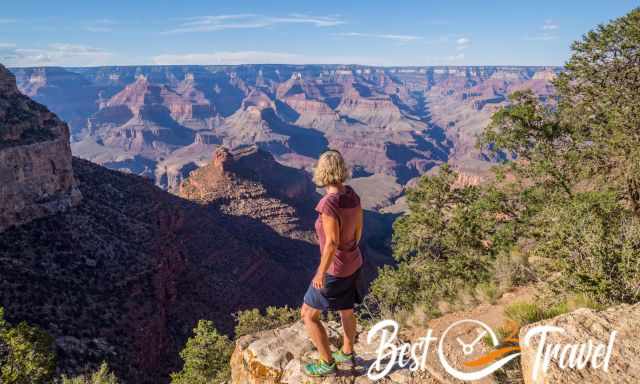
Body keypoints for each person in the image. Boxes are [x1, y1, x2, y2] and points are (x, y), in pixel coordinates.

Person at [301, 149, 366, 377]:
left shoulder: (328, 203)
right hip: (354, 260)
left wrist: (321, 273)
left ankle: (327, 363)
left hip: (335, 268)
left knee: (308, 314)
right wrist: (350, 250)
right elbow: (358, 229)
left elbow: (331, 243)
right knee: (346, 309)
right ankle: (347, 352)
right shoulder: (352, 194)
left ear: (322, 171)